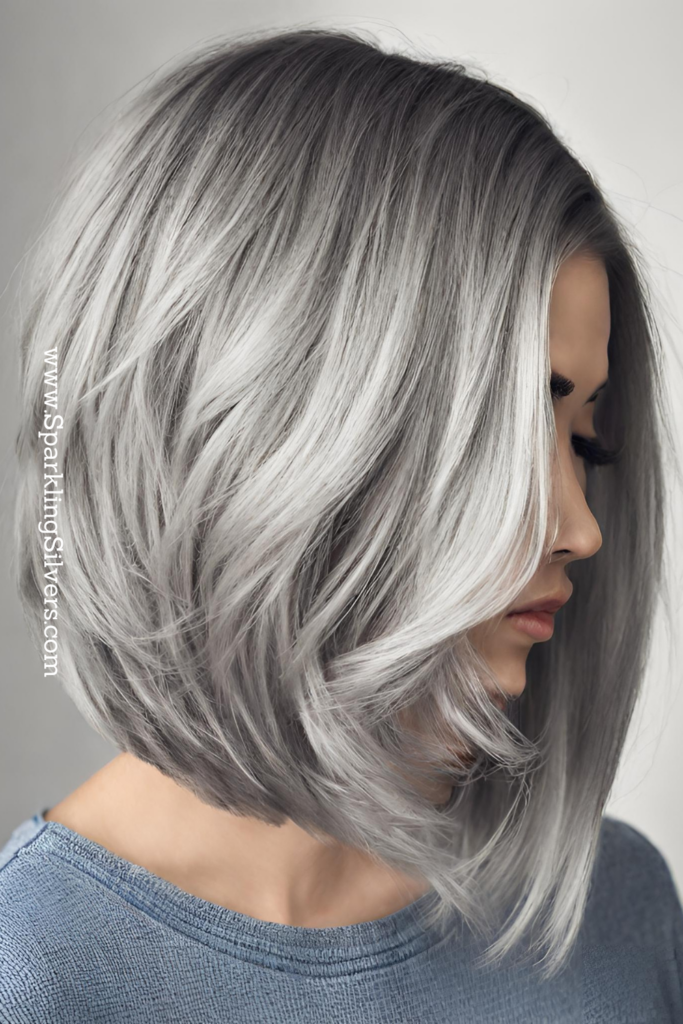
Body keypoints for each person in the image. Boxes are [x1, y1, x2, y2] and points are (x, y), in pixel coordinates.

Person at [1, 26, 681, 1023]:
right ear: (291, 435)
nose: (581, 528)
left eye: (585, 442)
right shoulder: (39, 979)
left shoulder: (612, 918)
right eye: (505, 433)